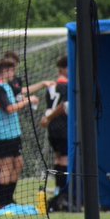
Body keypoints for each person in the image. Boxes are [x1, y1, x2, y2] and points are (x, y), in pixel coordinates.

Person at [0, 58, 40, 208]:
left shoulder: (7, 86)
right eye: (11, 70)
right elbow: (10, 108)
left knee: (18, 164)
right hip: (3, 135)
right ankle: (2, 202)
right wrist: (28, 101)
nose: (14, 73)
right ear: (3, 71)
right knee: (6, 166)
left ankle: (10, 199)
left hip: (13, 133)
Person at [39, 55, 69, 210]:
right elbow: (64, 105)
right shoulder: (66, 86)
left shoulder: (51, 86)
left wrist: (48, 118)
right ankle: (62, 195)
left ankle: (58, 190)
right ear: (63, 69)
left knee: (58, 159)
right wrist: (50, 117)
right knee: (65, 159)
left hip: (51, 127)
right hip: (62, 125)